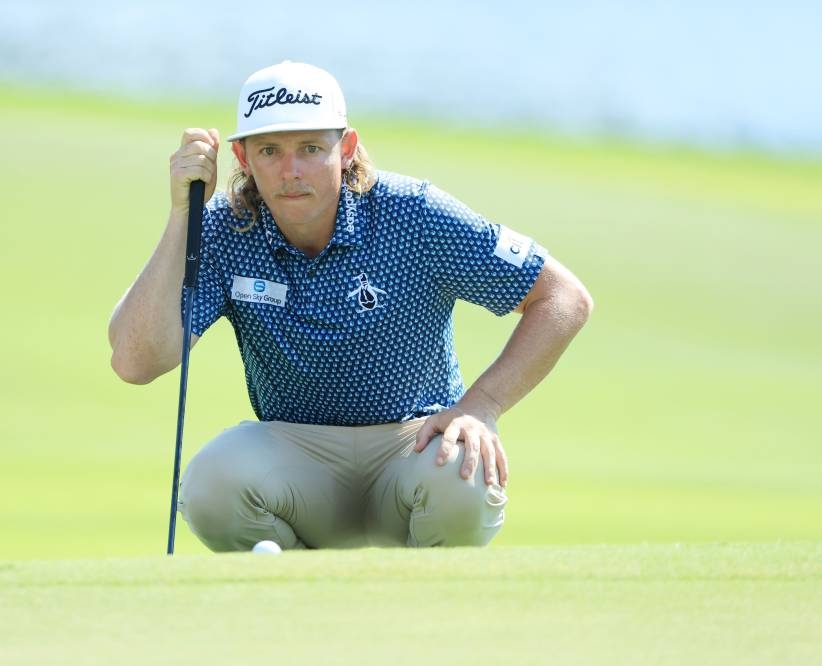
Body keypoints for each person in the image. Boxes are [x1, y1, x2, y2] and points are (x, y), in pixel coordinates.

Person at [108, 61, 593, 551]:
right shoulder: (225, 228)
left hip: (412, 447)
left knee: (464, 478)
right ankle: (300, 593)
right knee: (211, 485)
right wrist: (183, 215)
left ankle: (419, 595)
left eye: (311, 148)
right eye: (270, 150)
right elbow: (135, 361)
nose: (291, 171)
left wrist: (482, 405)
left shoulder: (413, 213)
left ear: (346, 148)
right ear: (243, 157)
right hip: (294, 458)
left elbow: (563, 297)